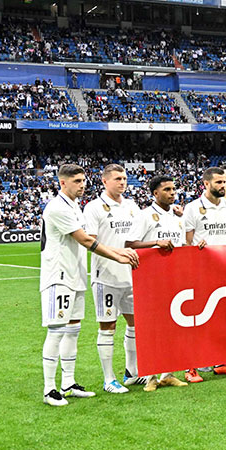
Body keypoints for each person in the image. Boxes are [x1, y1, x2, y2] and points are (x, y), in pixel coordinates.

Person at [40, 164, 138, 406]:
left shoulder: (74, 206)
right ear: (62, 182)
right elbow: (85, 239)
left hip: (76, 275)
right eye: (76, 181)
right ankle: (49, 389)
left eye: (83, 180)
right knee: (56, 331)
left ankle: (69, 383)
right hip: (58, 277)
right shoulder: (57, 208)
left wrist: (119, 251)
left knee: (73, 329)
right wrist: (117, 255)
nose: (82, 185)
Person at [82, 164, 143, 393]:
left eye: (125, 178)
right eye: (117, 178)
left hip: (131, 277)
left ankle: (132, 373)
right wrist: (117, 255)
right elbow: (91, 242)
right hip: (106, 276)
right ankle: (109, 379)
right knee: (108, 327)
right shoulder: (94, 208)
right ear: (104, 181)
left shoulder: (131, 206)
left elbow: (138, 237)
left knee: (136, 324)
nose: (122, 182)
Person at [124, 175, 189, 391]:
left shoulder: (179, 217)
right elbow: (130, 243)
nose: (172, 193)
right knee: (151, 328)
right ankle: (150, 376)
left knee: (172, 326)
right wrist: (155, 243)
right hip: (150, 280)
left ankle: (168, 374)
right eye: (167, 190)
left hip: (174, 278)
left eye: (174, 189)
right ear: (155, 194)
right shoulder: (145, 216)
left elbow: (180, 247)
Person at [182, 167, 226, 382]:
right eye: (218, 182)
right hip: (199, 270)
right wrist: (194, 248)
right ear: (206, 184)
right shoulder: (192, 208)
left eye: (225, 181)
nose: (223, 185)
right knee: (197, 318)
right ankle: (191, 367)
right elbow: (186, 243)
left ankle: (222, 363)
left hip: (224, 269)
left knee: (223, 317)